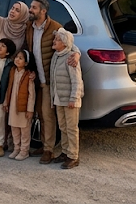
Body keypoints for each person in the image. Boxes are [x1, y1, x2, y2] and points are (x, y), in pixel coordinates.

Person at [24, 0, 79, 164]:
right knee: (40, 114)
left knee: (48, 116)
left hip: (49, 81)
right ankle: (44, 144)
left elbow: (70, 44)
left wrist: (77, 54)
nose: (30, 10)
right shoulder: (29, 27)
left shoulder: (55, 28)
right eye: (30, 7)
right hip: (35, 79)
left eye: (33, 7)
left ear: (43, 11)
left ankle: (49, 150)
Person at [50, 28, 83, 169]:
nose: (54, 41)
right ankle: (65, 152)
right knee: (62, 127)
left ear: (64, 43)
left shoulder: (70, 58)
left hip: (70, 101)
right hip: (59, 99)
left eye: (57, 39)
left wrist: (74, 98)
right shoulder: (56, 56)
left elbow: (77, 81)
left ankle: (73, 156)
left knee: (71, 128)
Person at [2, 49, 36, 160]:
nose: (17, 59)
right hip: (13, 106)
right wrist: (6, 102)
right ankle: (16, 148)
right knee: (14, 128)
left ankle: (24, 150)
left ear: (26, 63)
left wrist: (30, 109)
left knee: (24, 130)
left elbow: (32, 94)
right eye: (16, 57)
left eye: (21, 58)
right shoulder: (13, 71)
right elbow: (9, 88)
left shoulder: (28, 75)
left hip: (24, 107)